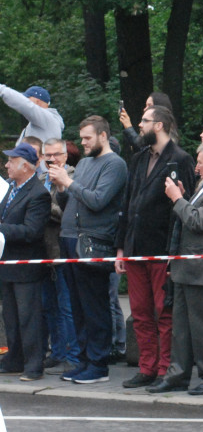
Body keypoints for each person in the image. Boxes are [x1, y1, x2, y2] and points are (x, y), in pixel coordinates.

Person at [147, 142, 203, 396]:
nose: (196, 167)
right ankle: (178, 374)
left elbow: (200, 222)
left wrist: (177, 200)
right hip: (189, 265)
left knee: (202, 327)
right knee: (182, 326)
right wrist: (185, 198)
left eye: (200, 162)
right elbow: (196, 213)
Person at [115, 105, 196, 389]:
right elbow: (127, 204)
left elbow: (185, 205)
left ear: (159, 125)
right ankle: (146, 367)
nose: (139, 126)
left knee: (164, 312)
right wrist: (121, 249)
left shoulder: (181, 159)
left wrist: (177, 253)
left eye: (144, 121)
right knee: (139, 311)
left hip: (163, 248)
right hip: (135, 246)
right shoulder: (138, 159)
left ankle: (166, 369)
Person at [50, 116, 128, 385]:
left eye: (87, 138)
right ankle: (84, 359)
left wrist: (69, 183)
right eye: (81, 138)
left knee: (94, 305)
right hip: (70, 238)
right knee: (78, 305)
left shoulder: (115, 165)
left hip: (93, 242)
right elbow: (70, 201)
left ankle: (98, 364)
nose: (82, 143)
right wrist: (61, 186)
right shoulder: (83, 163)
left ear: (103, 136)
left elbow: (98, 200)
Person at [0, 144, 52, 381]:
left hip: (26, 266)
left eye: (11, 161)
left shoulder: (38, 193)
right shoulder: (12, 188)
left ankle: (33, 364)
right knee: (10, 316)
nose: (7, 165)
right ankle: (15, 358)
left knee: (29, 317)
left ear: (25, 165)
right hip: (8, 264)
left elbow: (32, 231)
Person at [39, 138, 80, 375]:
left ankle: (74, 357)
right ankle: (57, 353)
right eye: (47, 155)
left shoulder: (73, 176)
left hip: (64, 251)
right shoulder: (38, 179)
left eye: (56, 154)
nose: (51, 159)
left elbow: (69, 213)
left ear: (65, 156)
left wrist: (42, 207)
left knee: (67, 307)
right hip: (42, 253)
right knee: (49, 306)